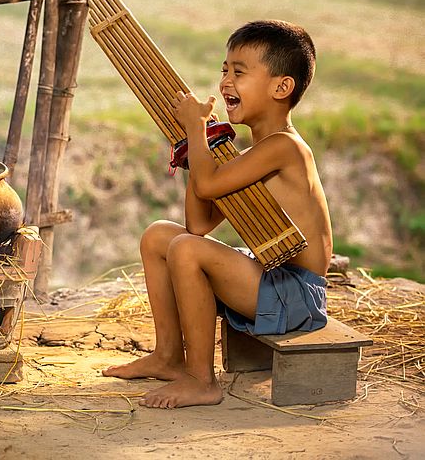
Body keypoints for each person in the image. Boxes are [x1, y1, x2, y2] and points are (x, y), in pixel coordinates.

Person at [103, 20, 332, 409]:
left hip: (298, 294)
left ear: (281, 87)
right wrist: (198, 141)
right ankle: (169, 357)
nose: (226, 81)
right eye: (224, 69)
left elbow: (206, 191)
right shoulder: (254, 155)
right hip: (272, 278)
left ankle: (201, 380)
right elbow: (200, 222)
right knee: (161, 235)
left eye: (239, 72)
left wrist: (196, 129)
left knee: (188, 251)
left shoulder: (285, 149)